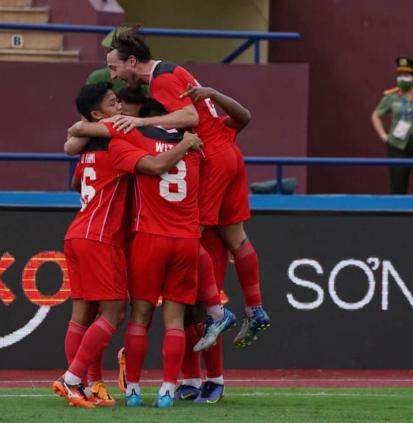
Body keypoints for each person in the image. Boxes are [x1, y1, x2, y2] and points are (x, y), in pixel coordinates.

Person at [106, 27, 269, 353]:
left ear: (133, 61)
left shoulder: (162, 79)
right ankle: (255, 308)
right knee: (236, 238)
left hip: (211, 157)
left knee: (186, 236)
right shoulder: (174, 69)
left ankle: (216, 312)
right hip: (229, 151)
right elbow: (229, 115)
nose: (115, 75)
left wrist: (139, 123)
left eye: (114, 67)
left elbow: (189, 115)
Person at [69, 98, 204, 409]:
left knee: (139, 318)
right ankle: (169, 388)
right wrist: (186, 142)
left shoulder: (136, 137)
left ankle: (132, 390)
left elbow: (77, 140)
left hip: (148, 238)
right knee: (175, 320)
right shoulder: (196, 143)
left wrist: (81, 130)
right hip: (186, 240)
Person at [175, 84, 254, 404]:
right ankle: (190, 380)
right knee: (179, 311)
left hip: (206, 239)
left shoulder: (216, 135)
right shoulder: (166, 142)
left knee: (208, 312)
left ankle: (215, 380)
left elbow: (243, 116)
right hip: (180, 233)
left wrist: (214, 95)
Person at [52, 82, 129, 409]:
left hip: (77, 233)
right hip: (99, 236)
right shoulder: (118, 142)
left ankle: (87, 386)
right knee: (115, 312)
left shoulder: (87, 148)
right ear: (98, 113)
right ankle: (72, 380)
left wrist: (80, 130)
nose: (121, 108)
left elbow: (72, 163)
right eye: (114, 103)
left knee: (82, 315)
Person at [371, 56, 413, 195]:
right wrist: (384, 136)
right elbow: (375, 115)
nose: (401, 79)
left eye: (406, 76)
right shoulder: (391, 97)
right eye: (400, 75)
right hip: (397, 146)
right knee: (398, 188)